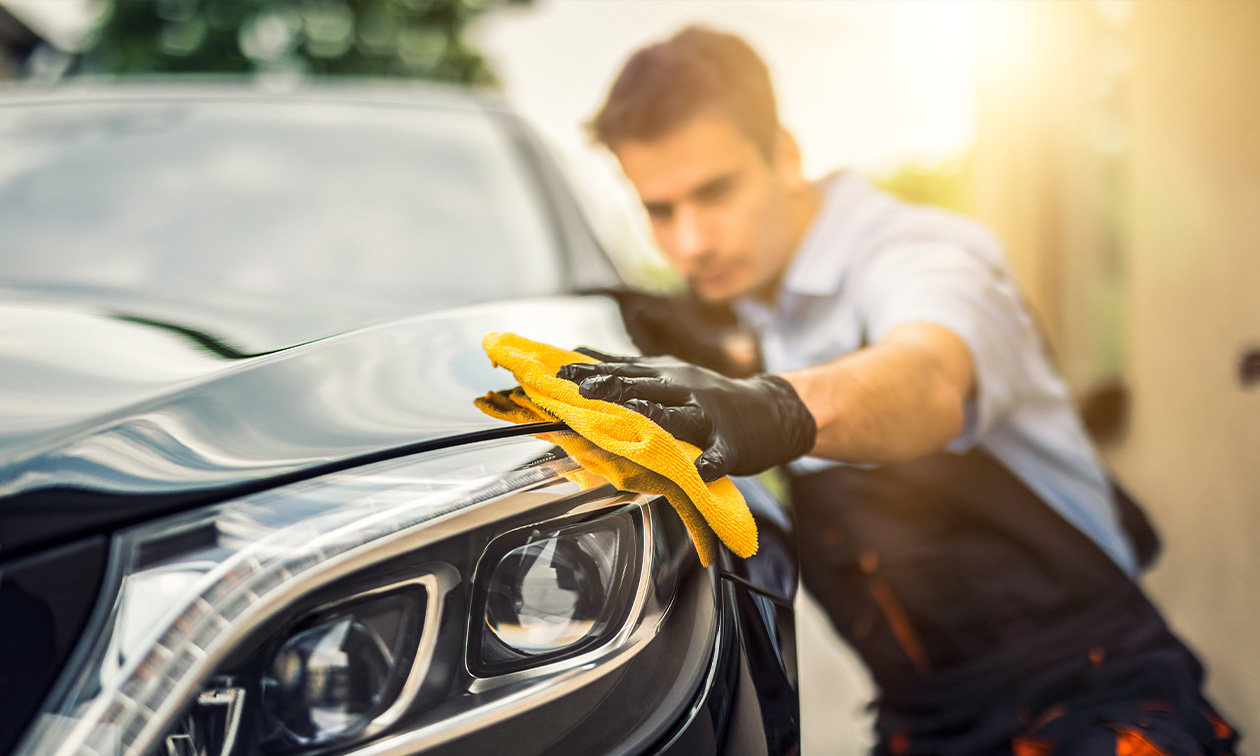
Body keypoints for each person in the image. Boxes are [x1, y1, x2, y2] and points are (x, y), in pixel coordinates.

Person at [558, 26, 1238, 756]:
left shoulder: (923, 254)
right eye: (660, 211)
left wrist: (774, 407)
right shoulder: (763, 308)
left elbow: (930, 377)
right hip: (923, 723)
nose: (691, 243)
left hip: (1092, 697)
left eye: (715, 191)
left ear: (784, 154)